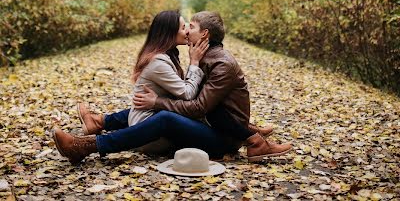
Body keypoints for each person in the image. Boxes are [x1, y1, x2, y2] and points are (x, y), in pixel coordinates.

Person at [53, 11, 292, 164]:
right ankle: (99, 124)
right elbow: (203, 100)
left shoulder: (221, 64)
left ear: (205, 34)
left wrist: (156, 102)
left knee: (165, 117)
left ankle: (87, 146)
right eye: (184, 27)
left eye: (191, 27)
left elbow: (197, 105)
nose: (187, 31)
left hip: (223, 139)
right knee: (159, 110)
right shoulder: (206, 56)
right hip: (213, 127)